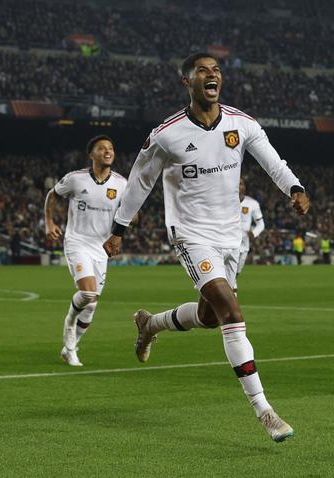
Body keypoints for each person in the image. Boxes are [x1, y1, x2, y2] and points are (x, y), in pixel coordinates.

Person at [102, 53, 310, 442]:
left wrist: (295, 188)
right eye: (203, 71)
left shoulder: (241, 124)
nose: (212, 75)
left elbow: (273, 162)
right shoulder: (167, 134)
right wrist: (119, 229)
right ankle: (264, 410)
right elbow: (139, 183)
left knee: (211, 316)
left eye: (216, 70)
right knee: (230, 310)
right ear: (187, 82)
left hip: (230, 236)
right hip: (190, 234)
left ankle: (150, 324)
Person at [44, 135, 127, 367]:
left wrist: (120, 233)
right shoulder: (75, 179)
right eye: (102, 148)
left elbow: (128, 211)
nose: (107, 151)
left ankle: (70, 347)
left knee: (91, 306)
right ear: (92, 154)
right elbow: (53, 195)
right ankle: (70, 332)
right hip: (77, 242)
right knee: (88, 294)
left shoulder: (121, 184)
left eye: (110, 148)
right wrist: (49, 223)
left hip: (101, 248)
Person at [237, 177, 264, 277]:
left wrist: (254, 233)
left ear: (244, 187)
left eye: (241, 184)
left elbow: (261, 224)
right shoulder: (223, 202)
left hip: (243, 245)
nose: (238, 186)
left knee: (234, 276)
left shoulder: (252, 204)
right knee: (224, 277)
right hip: (225, 244)